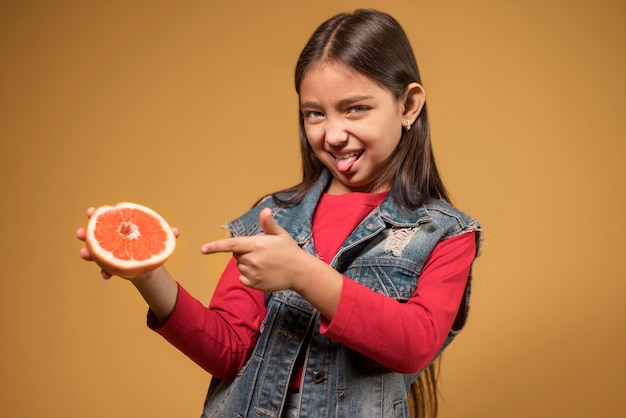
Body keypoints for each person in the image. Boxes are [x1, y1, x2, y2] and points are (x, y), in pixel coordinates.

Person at [77, 9, 481, 418]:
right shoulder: (273, 217)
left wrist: (302, 274)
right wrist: (147, 274)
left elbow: (412, 345)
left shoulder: (445, 234)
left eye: (356, 108)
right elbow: (228, 352)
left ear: (408, 105)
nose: (333, 134)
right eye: (315, 114)